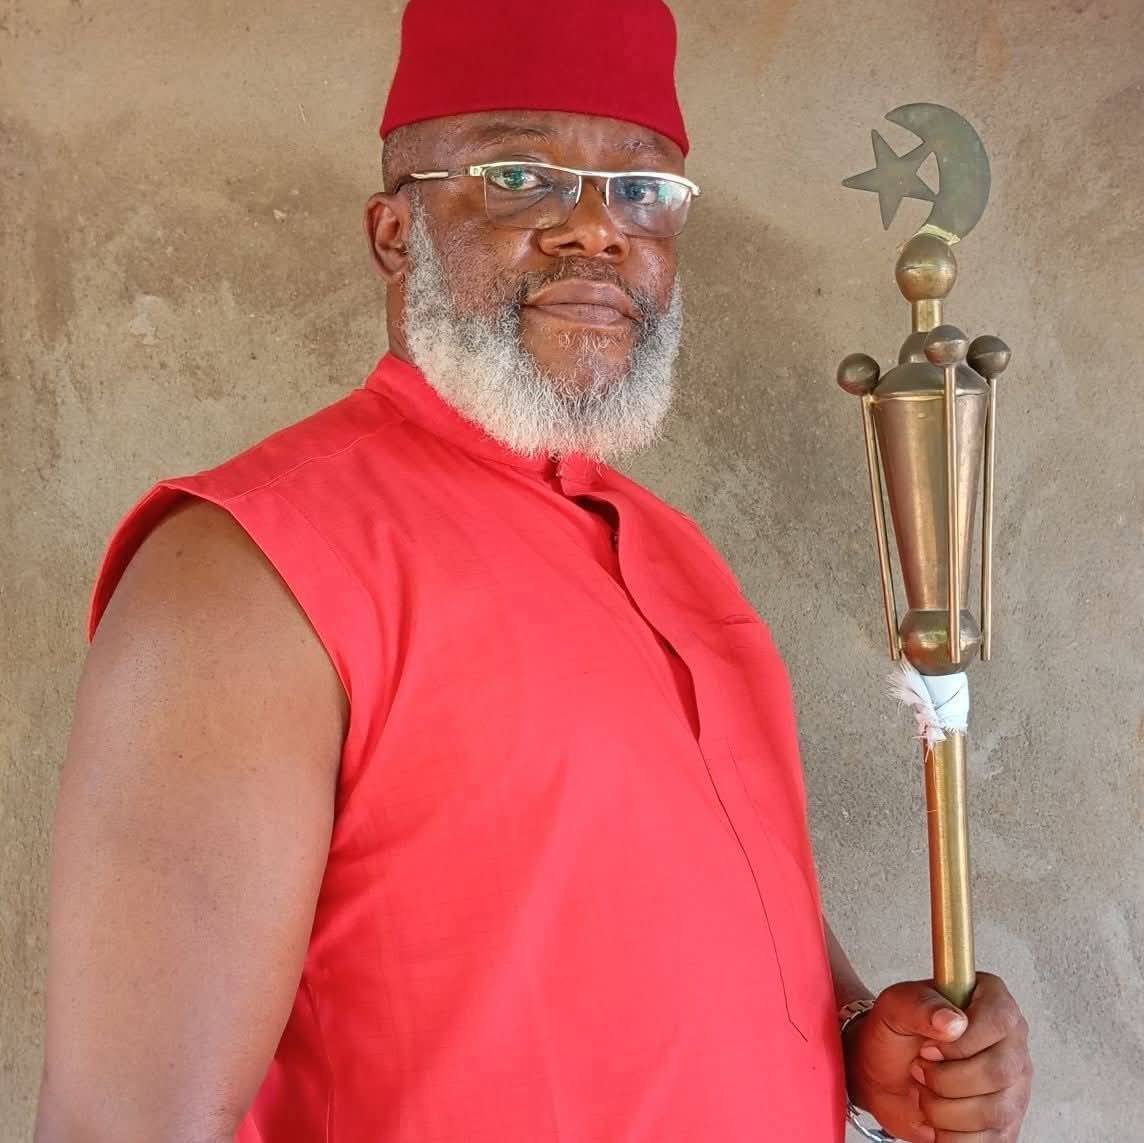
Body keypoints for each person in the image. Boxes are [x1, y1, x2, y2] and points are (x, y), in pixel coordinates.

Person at [35, 2, 1032, 1140]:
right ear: (394, 233)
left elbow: (689, 906)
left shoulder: (675, 556)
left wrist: (867, 1033)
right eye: (518, 177)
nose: (595, 229)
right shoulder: (246, 573)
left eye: (642, 189)